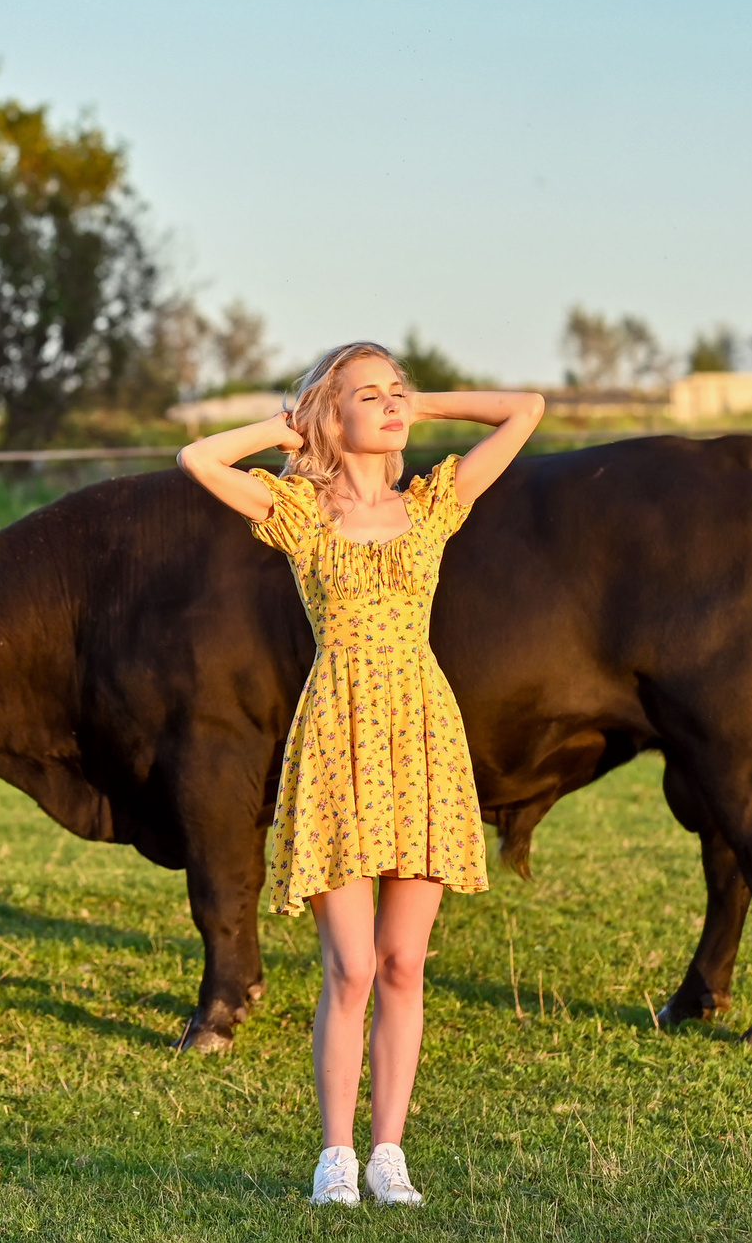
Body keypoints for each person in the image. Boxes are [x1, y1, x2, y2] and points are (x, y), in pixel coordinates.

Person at [179, 342, 543, 1207]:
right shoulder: (300, 513)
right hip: (339, 739)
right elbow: (197, 458)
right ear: (332, 416)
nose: (388, 407)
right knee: (348, 967)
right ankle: (334, 1155)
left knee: (403, 963)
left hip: (421, 736)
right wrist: (287, 423)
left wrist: (425, 405)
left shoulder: (435, 504)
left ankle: (390, 1154)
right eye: (367, 397)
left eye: (396, 394)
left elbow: (524, 407)